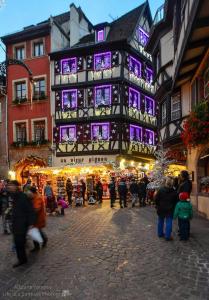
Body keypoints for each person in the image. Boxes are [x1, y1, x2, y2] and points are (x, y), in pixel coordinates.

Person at [7, 180, 36, 268]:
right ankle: (22, 258)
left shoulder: (23, 196)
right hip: (16, 223)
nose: (9, 187)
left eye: (11, 185)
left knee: (19, 242)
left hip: (22, 223)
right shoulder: (13, 196)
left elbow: (30, 210)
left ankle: (22, 259)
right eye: (9, 185)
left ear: (16, 186)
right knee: (18, 242)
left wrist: (31, 223)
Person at [154, 177, 178, 241]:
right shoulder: (174, 191)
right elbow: (176, 201)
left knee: (160, 221)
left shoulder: (160, 190)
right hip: (170, 209)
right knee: (169, 222)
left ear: (165, 183)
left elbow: (156, 199)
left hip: (161, 208)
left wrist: (157, 205)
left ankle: (160, 233)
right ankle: (167, 236)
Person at [27, 186, 48, 252]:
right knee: (36, 231)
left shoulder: (38, 198)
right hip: (35, 219)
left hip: (38, 219)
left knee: (35, 231)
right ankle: (39, 244)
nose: (27, 193)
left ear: (32, 192)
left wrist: (29, 211)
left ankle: (42, 242)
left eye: (28, 192)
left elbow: (37, 209)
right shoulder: (32, 197)